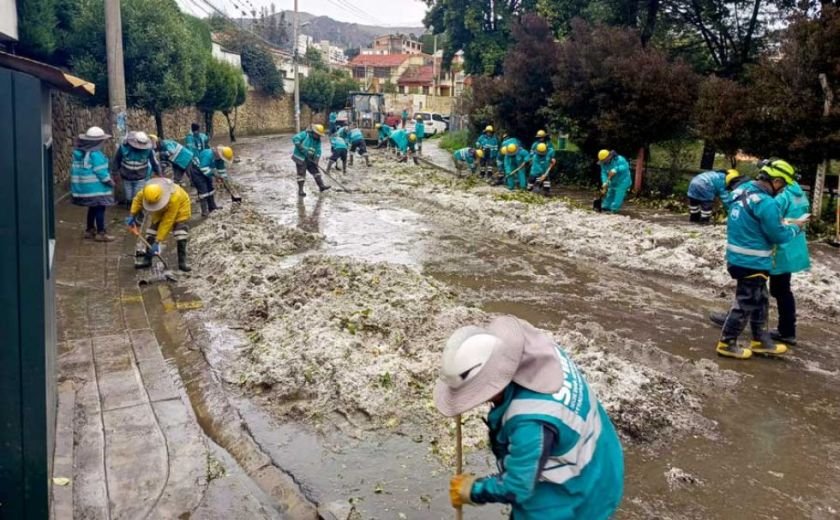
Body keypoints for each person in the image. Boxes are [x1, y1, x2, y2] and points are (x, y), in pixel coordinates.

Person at [435, 315, 624, 520]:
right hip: (601, 453)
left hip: (579, 491)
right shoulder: (541, 355)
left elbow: (517, 487)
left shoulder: (530, 423)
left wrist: (473, 490)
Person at [715, 159, 806, 359]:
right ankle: (727, 342)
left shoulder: (742, 191)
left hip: (739, 258)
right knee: (746, 303)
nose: (782, 191)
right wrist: (796, 227)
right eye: (783, 186)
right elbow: (779, 236)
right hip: (753, 261)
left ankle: (760, 340)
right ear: (776, 181)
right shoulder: (767, 203)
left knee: (760, 300)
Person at [126, 178, 193, 272]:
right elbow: (137, 199)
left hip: (180, 210)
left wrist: (158, 241)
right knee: (151, 233)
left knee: (180, 234)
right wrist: (132, 214)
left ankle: (182, 262)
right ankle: (147, 259)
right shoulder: (147, 191)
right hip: (160, 210)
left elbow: (167, 221)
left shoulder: (174, 197)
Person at [70, 126, 116, 242]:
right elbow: (101, 172)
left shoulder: (79, 153)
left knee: (92, 208)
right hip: (97, 188)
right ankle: (101, 233)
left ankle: (89, 230)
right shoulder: (96, 155)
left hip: (85, 189)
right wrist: (110, 181)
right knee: (100, 209)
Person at [113, 131, 161, 205]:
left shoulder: (148, 150)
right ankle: (130, 206)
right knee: (128, 197)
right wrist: (115, 173)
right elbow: (117, 160)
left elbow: (154, 162)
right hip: (126, 177)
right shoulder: (123, 148)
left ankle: (136, 212)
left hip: (140, 177)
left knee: (137, 196)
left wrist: (158, 173)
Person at [292, 124, 330, 197]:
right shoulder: (304, 134)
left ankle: (321, 186)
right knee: (301, 173)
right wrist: (301, 148)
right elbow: (295, 139)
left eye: (320, 135)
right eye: (318, 135)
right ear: (313, 132)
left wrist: (316, 160)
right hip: (300, 157)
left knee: (316, 171)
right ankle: (301, 190)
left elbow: (318, 151)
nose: (319, 136)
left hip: (310, 158)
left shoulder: (318, 141)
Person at [194, 145, 234, 215]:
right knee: (203, 191)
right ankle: (204, 211)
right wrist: (216, 176)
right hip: (197, 172)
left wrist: (226, 181)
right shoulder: (208, 154)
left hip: (207, 171)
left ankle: (212, 206)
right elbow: (203, 168)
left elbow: (222, 171)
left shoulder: (220, 159)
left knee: (210, 189)